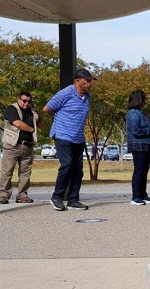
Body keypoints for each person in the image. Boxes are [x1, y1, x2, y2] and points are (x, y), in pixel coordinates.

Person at [43, 68, 96, 211]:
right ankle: (57, 197)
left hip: (78, 137)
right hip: (63, 135)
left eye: (90, 81)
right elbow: (47, 109)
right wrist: (60, 119)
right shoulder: (65, 93)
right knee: (66, 164)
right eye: (87, 81)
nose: (89, 84)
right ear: (78, 80)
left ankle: (73, 200)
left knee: (78, 169)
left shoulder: (87, 97)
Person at [0, 91, 44, 204]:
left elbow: (43, 126)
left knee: (25, 173)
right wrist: (32, 129)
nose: (27, 103)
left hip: (28, 146)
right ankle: (4, 195)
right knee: (7, 171)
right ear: (18, 99)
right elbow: (17, 123)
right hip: (12, 146)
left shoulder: (32, 111)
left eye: (29, 101)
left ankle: (22, 195)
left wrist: (37, 120)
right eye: (24, 101)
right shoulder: (11, 109)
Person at [126, 90, 150, 205]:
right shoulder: (133, 113)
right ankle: (135, 197)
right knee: (139, 171)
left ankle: (143, 195)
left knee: (144, 171)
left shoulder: (141, 113)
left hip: (145, 145)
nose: (145, 101)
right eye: (143, 99)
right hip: (138, 146)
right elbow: (136, 131)